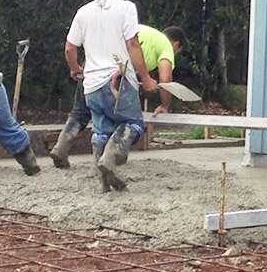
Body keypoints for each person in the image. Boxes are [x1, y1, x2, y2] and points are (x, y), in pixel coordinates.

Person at [60, 0, 158, 191]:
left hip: (91, 85)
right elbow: (133, 45)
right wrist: (146, 78)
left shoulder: (83, 12)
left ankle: (103, 180)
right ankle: (110, 159)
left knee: (101, 130)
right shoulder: (126, 9)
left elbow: (69, 48)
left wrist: (75, 69)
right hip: (118, 81)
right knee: (132, 123)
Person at [50, 24, 184, 167]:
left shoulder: (145, 32)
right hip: (115, 70)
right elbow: (165, 78)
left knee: (81, 111)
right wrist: (164, 105)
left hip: (94, 61)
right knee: (128, 119)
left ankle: (61, 147)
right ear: (176, 44)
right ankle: (111, 157)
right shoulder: (166, 45)